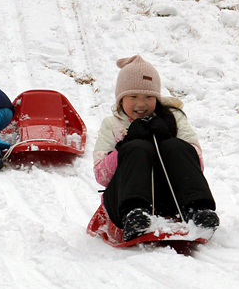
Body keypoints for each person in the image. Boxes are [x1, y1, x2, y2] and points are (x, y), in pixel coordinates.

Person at [93, 55, 219, 241]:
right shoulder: (111, 125)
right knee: (136, 148)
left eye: (148, 97)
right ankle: (135, 215)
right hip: (123, 202)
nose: (141, 104)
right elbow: (101, 176)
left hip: (172, 199)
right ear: (120, 99)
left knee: (174, 146)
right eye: (133, 97)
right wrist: (125, 145)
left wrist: (166, 138)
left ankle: (198, 210)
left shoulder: (173, 118)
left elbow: (197, 164)